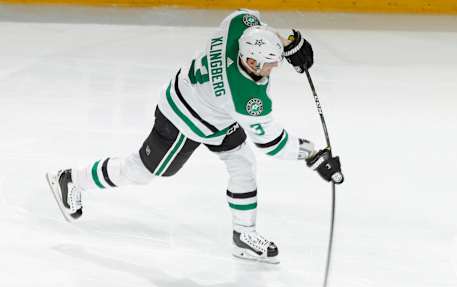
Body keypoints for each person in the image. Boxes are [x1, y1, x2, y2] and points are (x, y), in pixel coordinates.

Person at [46, 9, 343, 264]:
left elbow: (256, 25)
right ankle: (71, 179)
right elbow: (272, 143)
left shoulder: (237, 27)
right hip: (182, 119)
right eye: (269, 62)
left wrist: (287, 43)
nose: (275, 66)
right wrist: (312, 154)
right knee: (139, 172)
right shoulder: (247, 98)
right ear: (251, 63)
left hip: (210, 108)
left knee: (242, 163)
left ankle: (244, 234)